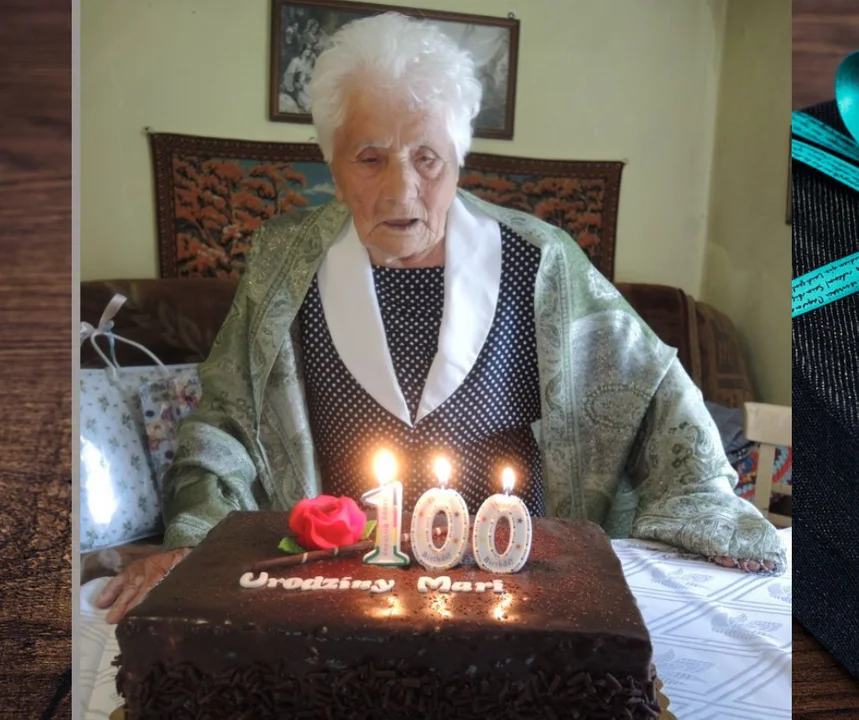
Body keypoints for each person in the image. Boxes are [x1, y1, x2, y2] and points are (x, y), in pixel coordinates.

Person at [96, 12, 785, 624]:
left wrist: (709, 516)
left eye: (426, 158)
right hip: (338, 590)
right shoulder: (282, 262)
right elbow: (225, 421)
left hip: (516, 591)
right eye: (369, 158)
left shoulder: (540, 260)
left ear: (458, 158)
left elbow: (653, 390)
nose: (402, 190)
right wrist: (194, 543)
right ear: (331, 163)